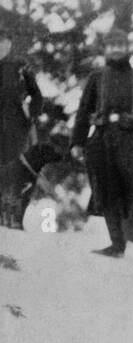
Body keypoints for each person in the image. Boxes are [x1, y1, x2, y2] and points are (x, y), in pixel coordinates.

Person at [70, 27, 133, 263]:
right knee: (106, 191)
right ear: (105, 49)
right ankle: (117, 245)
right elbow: (83, 112)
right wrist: (78, 142)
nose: (116, 49)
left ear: (128, 49)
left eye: (120, 45)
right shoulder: (96, 78)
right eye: (111, 45)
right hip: (102, 140)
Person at [0, 26, 43, 229]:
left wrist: (32, 113)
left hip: (14, 126)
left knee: (13, 169)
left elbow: (36, 94)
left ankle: (13, 218)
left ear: (9, 44)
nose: (1, 45)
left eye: (4, 41)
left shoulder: (19, 66)